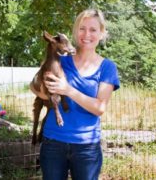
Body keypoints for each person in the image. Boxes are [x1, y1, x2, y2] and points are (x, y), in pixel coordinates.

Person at [30, 9, 120, 180]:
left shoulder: (107, 67)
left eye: (93, 30)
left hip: (86, 148)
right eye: (82, 28)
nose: (86, 34)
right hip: (53, 143)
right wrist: (45, 92)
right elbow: (33, 86)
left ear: (101, 33)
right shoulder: (60, 60)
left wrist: (67, 90)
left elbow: (99, 108)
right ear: (75, 31)